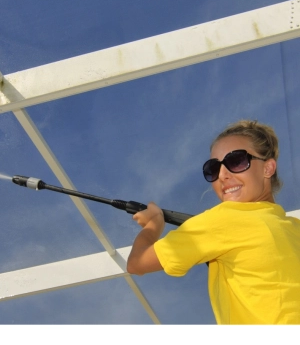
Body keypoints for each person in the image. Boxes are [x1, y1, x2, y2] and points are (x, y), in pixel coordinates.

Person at [126, 120, 300, 324]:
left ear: (268, 168)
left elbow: (137, 263)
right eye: (214, 169)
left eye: (236, 161)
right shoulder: (294, 228)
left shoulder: (225, 218)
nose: (223, 175)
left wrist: (154, 224)